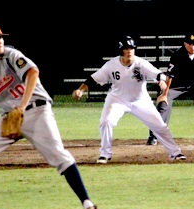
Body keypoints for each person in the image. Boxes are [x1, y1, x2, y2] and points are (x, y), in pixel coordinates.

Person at [0, 24, 106, 209]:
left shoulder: (12, 56)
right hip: (10, 120)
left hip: (37, 111)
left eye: (0, 37)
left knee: (60, 156)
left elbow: (33, 73)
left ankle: (89, 206)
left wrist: (21, 106)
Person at [72, 36, 186, 164]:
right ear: (121, 50)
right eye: (127, 48)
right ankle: (105, 154)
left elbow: (158, 74)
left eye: (132, 48)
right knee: (105, 122)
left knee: (160, 125)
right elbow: (93, 79)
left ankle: (175, 152)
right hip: (117, 99)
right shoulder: (111, 65)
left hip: (140, 100)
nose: (130, 51)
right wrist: (80, 90)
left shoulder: (140, 63)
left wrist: (162, 81)